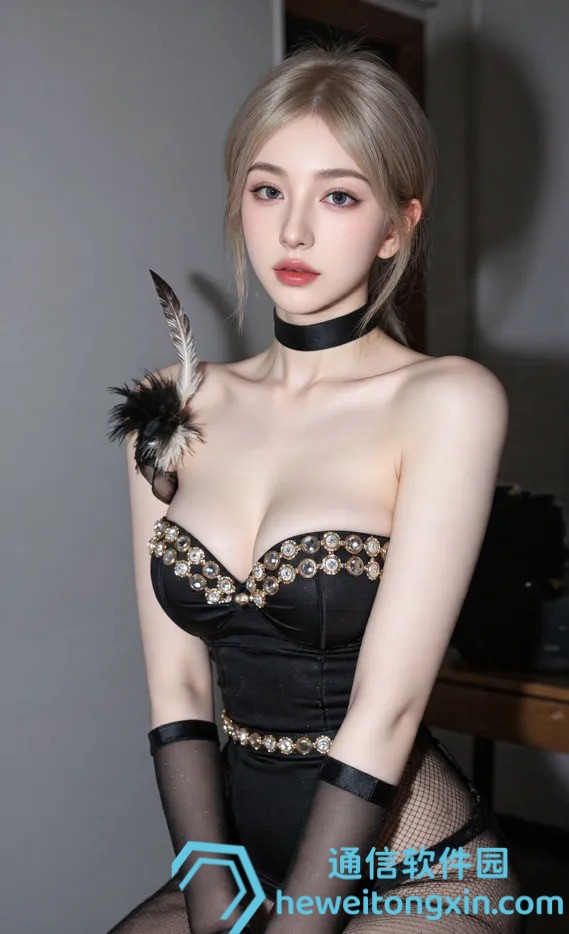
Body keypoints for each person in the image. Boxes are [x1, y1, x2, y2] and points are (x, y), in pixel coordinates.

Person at [106, 39, 523, 934]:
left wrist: (295, 926)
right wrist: (213, 896)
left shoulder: (445, 401)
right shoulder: (168, 406)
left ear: (395, 227)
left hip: (411, 868)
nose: (293, 231)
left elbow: (389, 708)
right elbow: (177, 693)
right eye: (268, 190)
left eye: (338, 196)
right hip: (241, 865)